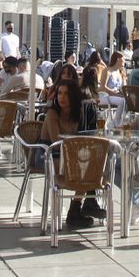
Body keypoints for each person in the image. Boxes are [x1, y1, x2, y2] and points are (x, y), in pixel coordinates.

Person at [40, 78, 102, 228]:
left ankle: (78, 206)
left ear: (73, 96)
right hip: (48, 156)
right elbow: (56, 143)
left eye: (66, 94)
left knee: (93, 165)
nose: (61, 97)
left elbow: (81, 137)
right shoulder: (52, 114)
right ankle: (86, 203)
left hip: (68, 157)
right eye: (59, 93)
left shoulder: (78, 113)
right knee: (85, 168)